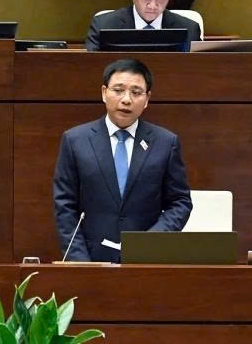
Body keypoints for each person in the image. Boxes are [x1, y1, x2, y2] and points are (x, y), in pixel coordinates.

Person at [53, 58, 193, 262]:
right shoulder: (75, 140)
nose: (126, 99)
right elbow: (65, 205)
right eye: (118, 90)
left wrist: (151, 242)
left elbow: (180, 202)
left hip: (147, 260)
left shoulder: (165, 142)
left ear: (147, 99)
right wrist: (79, 261)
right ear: (104, 93)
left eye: (136, 93)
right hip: (90, 259)